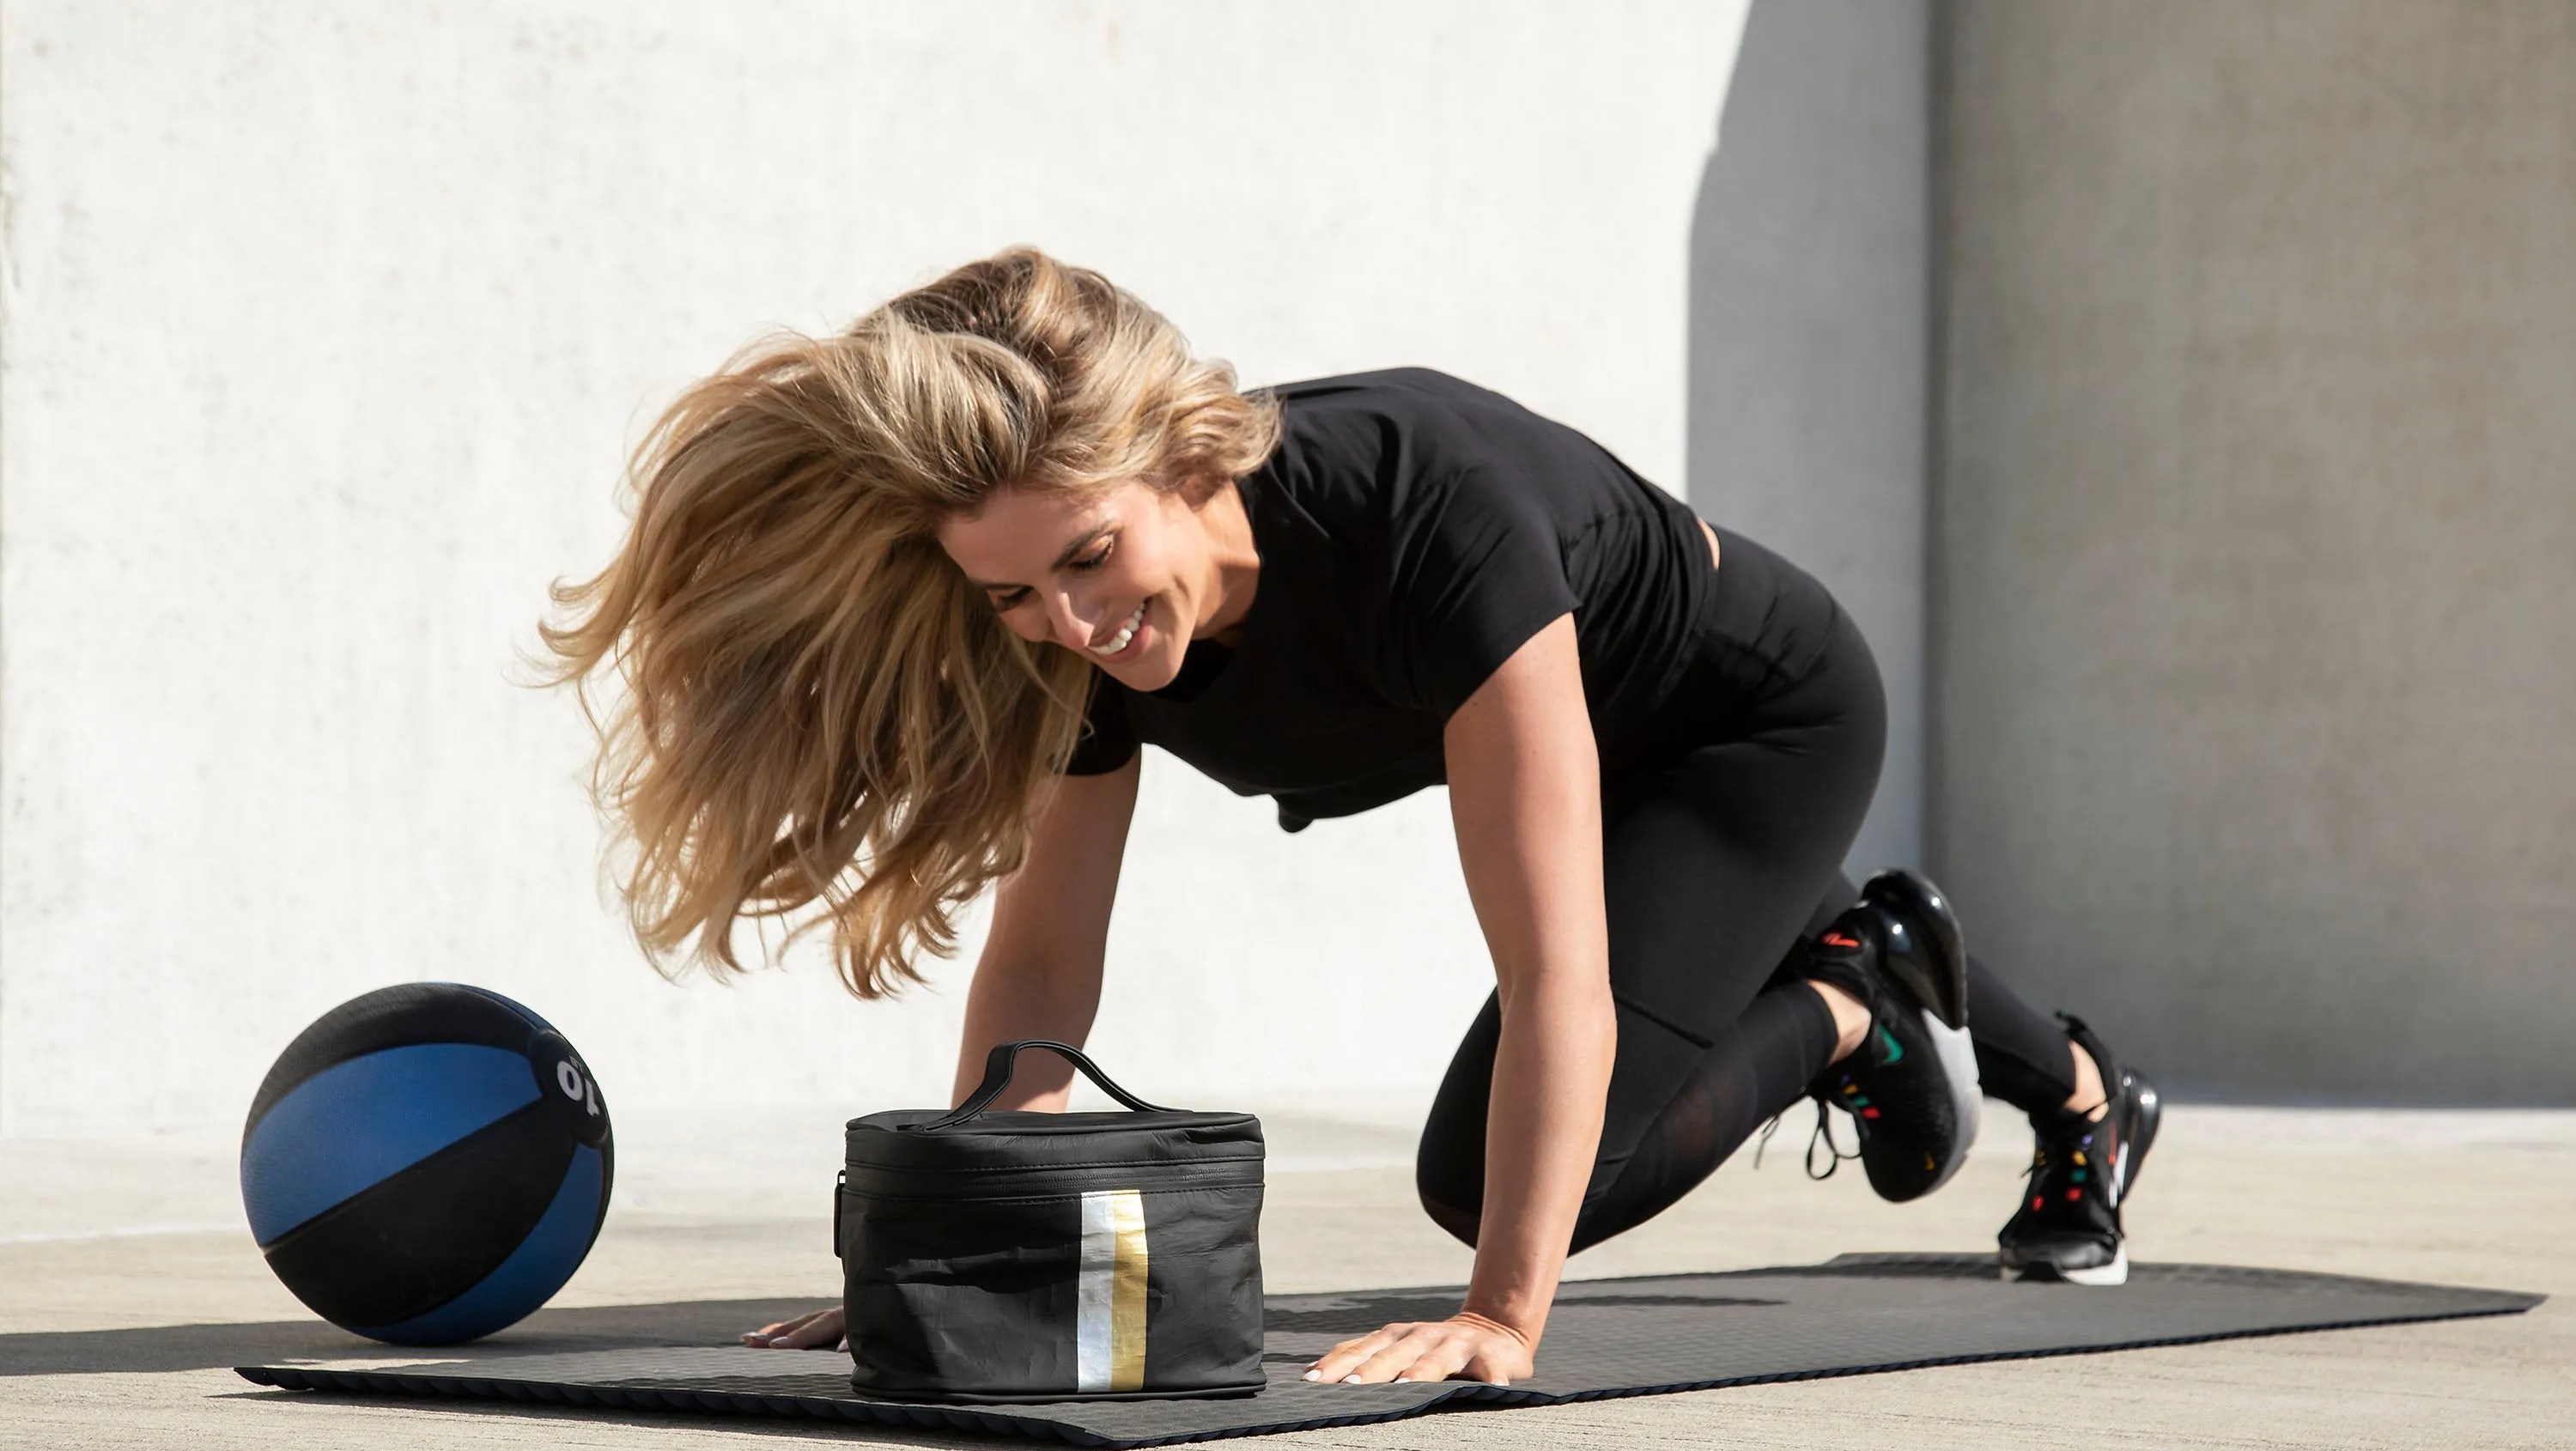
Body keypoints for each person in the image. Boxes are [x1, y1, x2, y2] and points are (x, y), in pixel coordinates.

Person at [544, 248, 2160, 1387]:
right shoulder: (1069, 632)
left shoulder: (1422, 518)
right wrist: (954, 1255)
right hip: (1605, 736)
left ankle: (1853, 999)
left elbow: (1553, 977)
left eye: (1092, 559)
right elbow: (1042, 977)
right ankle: (1970, 1026)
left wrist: (1503, 1321)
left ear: (1181, 455)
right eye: (1014, 592)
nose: (1071, 621)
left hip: (1748, 726)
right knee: (1559, 1098)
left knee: (1504, 1184)